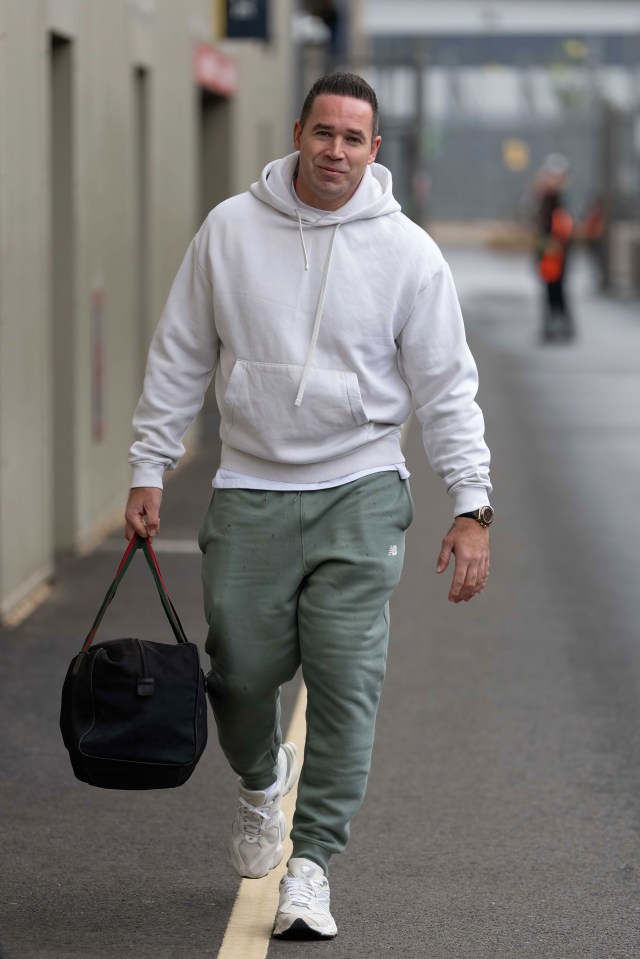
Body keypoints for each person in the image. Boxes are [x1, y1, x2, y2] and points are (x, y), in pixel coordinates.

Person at [125, 72, 492, 941]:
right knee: (241, 672)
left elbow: (447, 388)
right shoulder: (229, 230)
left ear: (375, 150)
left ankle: (314, 864)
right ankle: (262, 783)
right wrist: (149, 465)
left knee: (344, 684)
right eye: (322, 133)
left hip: (362, 487)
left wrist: (473, 502)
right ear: (298, 133)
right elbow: (180, 351)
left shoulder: (408, 255)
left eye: (353, 139)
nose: (335, 151)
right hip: (250, 486)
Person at [533, 154, 575, 342]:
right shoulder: (545, 200)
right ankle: (553, 323)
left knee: (557, 289)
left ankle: (562, 324)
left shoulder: (557, 201)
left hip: (556, 254)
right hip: (548, 253)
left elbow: (561, 229)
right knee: (550, 289)